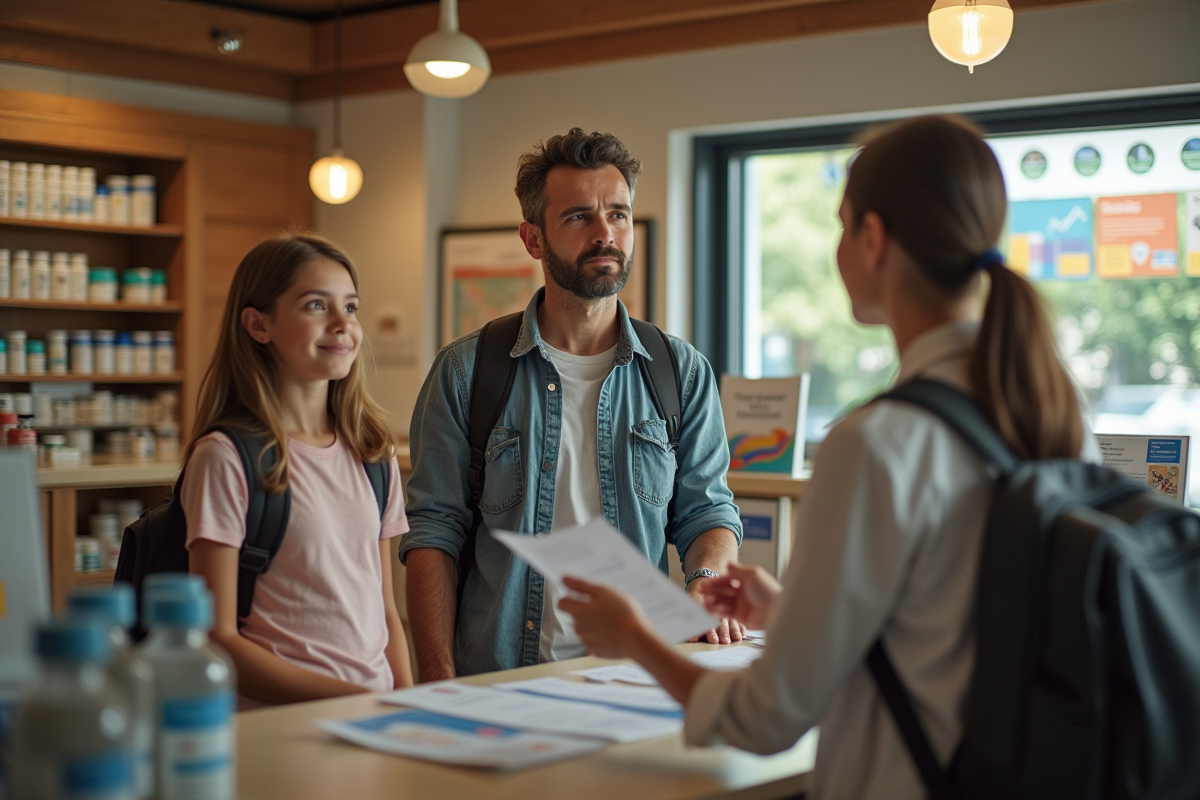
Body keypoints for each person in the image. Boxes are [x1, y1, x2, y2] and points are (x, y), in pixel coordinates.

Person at [558, 115, 1093, 800]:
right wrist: (792, 611)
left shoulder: (875, 443)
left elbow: (763, 718)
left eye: (842, 226)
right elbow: (955, 623)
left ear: (873, 239)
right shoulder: (1056, 413)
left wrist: (636, 638)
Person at [401, 128, 745, 681]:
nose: (605, 233)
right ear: (533, 238)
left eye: (618, 214)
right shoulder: (466, 371)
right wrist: (438, 678)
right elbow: (433, 533)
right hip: (501, 677)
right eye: (579, 216)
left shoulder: (680, 372)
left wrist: (707, 580)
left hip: (639, 673)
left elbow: (708, 513)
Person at [185, 233, 413, 706]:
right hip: (282, 724)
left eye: (350, 307)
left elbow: (386, 612)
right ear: (258, 325)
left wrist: (407, 704)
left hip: (374, 718)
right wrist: (357, 702)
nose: (342, 324)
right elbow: (216, 639)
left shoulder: (374, 452)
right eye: (316, 306)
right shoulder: (226, 458)